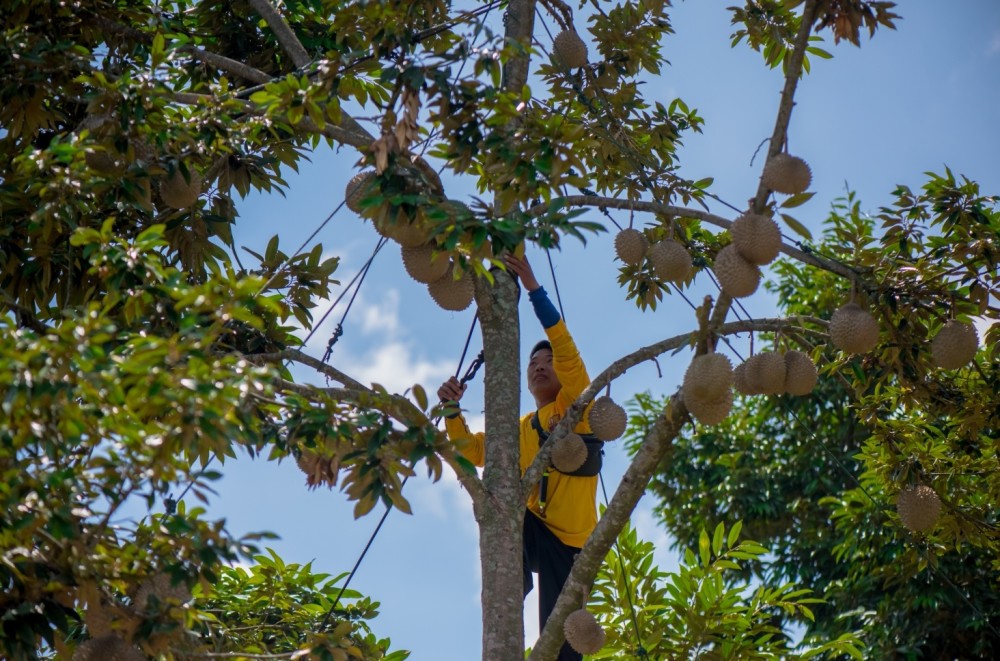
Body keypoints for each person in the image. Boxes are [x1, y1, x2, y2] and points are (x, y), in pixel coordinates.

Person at [437, 253, 599, 661]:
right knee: (503, 510)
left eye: (548, 363)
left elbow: (567, 350)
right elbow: (474, 450)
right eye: (533, 363)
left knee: (561, 641)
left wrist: (533, 288)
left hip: (572, 542)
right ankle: (513, 585)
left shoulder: (576, 409)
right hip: (532, 527)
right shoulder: (519, 426)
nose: (540, 367)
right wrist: (452, 413)